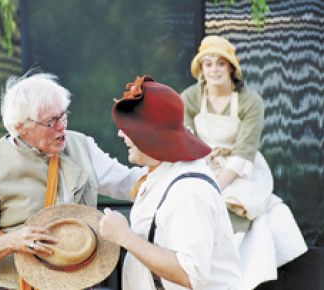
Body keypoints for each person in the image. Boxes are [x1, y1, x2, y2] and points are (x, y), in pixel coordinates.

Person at [0, 72, 145, 290]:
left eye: (63, 116)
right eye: (50, 122)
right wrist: (11, 242)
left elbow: (130, 184)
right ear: (20, 127)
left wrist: (173, 169)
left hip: (85, 284)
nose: (62, 126)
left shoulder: (82, 146)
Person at [181, 35, 307, 289]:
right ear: (201, 69)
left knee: (236, 206)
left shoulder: (251, 101)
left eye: (220, 63)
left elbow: (244, 152)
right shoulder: (190, 98)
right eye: (208, 64)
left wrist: (217, 186)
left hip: (241, 171)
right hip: (203, 165)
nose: (214, 69)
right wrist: (204, 178)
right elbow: (186, 140)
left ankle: (236, 278)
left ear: (231, 67)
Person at [99, 75, 242, 290]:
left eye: (128, 129)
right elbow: (115, 178)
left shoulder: (189, 189)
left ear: (148, 137)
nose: (121, 134)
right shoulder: (161, 173)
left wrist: (124, 237)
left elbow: (189, 273)